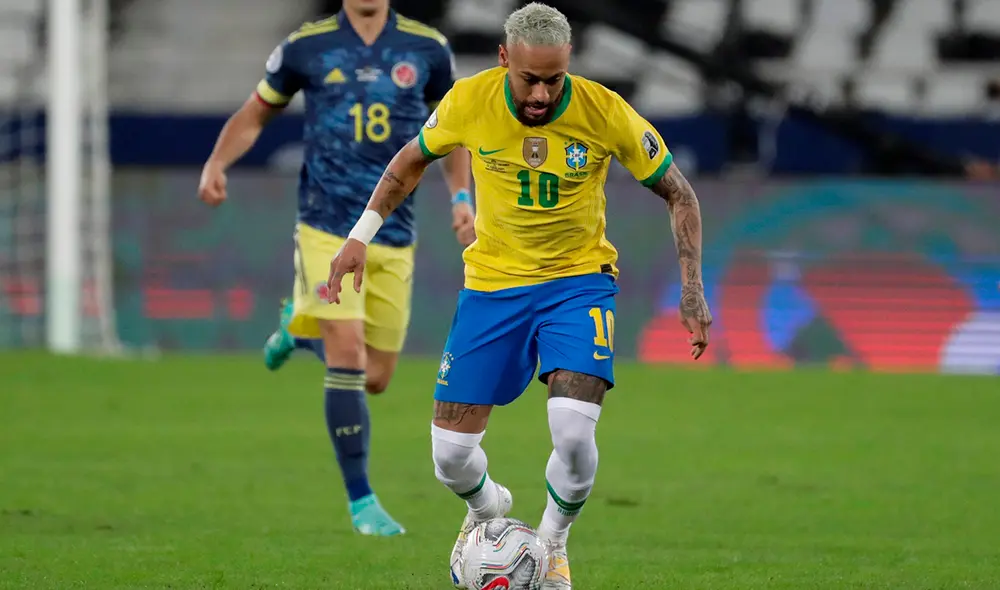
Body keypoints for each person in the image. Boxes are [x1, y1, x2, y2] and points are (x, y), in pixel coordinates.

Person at [327, 2, 713, 587]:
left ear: (569, 65)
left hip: (577, 284)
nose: (539, 93)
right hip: (492, 288)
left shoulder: (604, 111)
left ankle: (552, 544)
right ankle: (487, 514)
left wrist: (692, 289)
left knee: (574, 434)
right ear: (505, 58)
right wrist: (360, 237)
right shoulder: (469, 101)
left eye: (553, 80)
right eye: (529, 78)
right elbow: (408, 164)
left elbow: (681, 194)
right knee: (450, 459)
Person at [197, 0, 474, 537]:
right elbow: (256, 113)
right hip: (324, 225)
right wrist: (216, 162)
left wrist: (461, 195)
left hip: (392, 230)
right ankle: (362, 501)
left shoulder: (428, 49)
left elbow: (451, 133)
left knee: (374, 377)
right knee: (346, 354)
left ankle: (298, 332)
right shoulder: (308, 46)